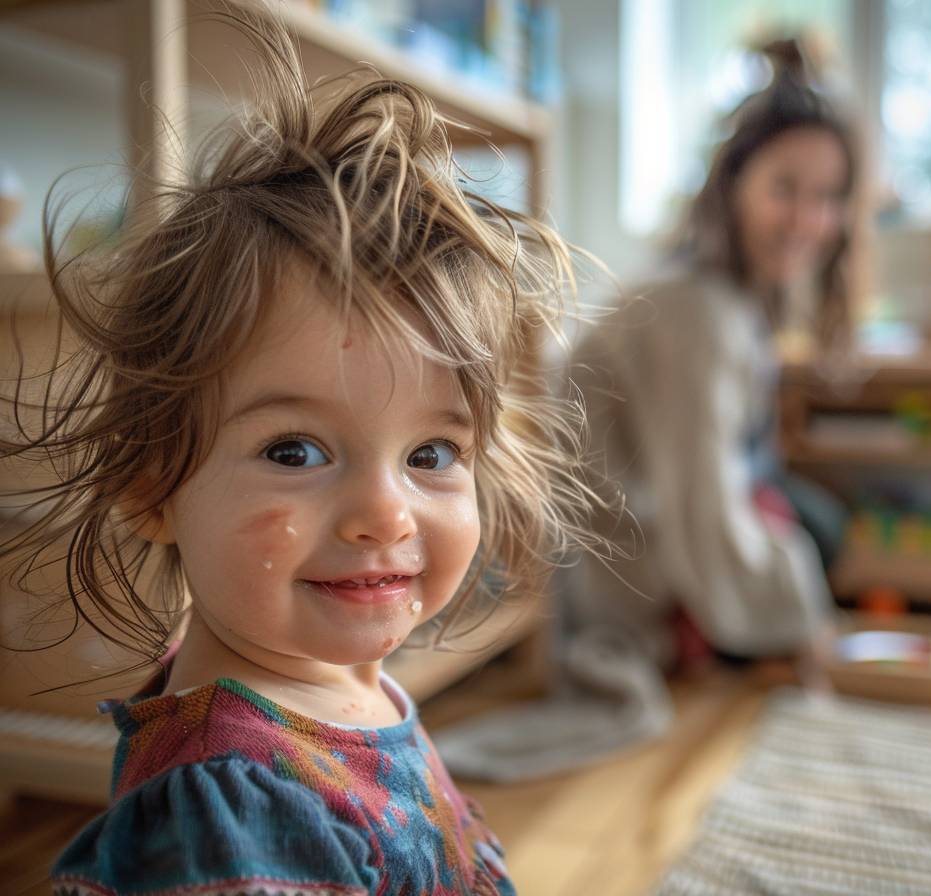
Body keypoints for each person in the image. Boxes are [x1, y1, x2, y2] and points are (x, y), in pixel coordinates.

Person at [2, 11, 599, 895]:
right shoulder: (238, 807)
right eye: (294, 450)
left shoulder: (330, 675)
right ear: (150, 484)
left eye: (432, 453)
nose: (386, 514)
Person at [434, 37, 865, 783]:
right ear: (734, 187)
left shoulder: (734, 302)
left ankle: (720, 625)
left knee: (814, 524)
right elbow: (703, 498)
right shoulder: (696, 311)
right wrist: (805, 624)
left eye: (828, 197)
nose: (808, 217)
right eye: (785, 188)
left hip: (656, 499)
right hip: (617, 533)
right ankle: (704, 626)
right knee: (811, 539)